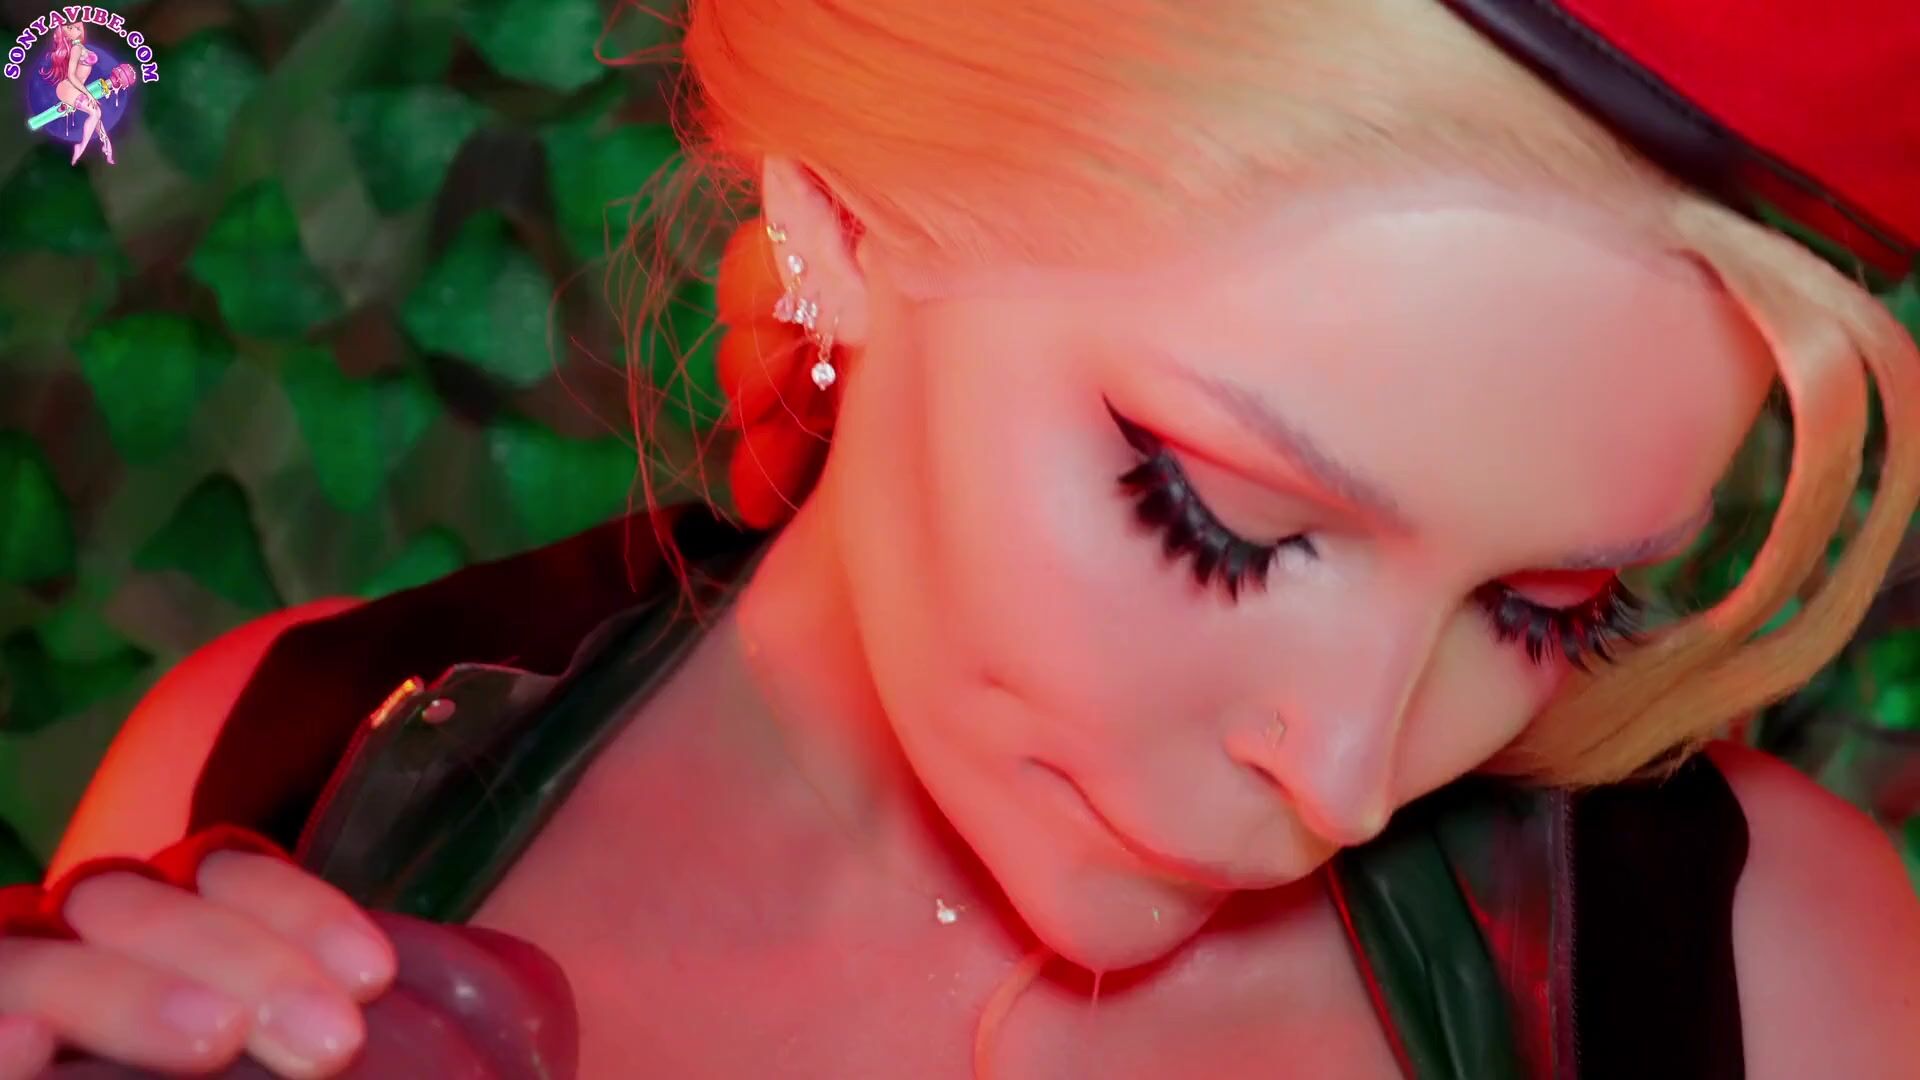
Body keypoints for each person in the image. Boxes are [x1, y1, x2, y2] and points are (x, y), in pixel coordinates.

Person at [4, 0, 1919, 1076]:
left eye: (1547, 607)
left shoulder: (1780, 976)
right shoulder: (275, 776)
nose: (1345, 773)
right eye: (1225, 524)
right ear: (835, 217)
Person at [41, 22, 116, 167]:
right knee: (95, 112)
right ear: (67, 36)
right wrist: (88, 94)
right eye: (70, 28)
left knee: (96, 115)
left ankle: (106, 146)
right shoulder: (75, 49)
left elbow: (79, 24)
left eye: (74, 26)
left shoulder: (79, 46)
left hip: (75, 88)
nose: (76, 28)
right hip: (69, 88)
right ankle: (81, 147)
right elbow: (72, 76)